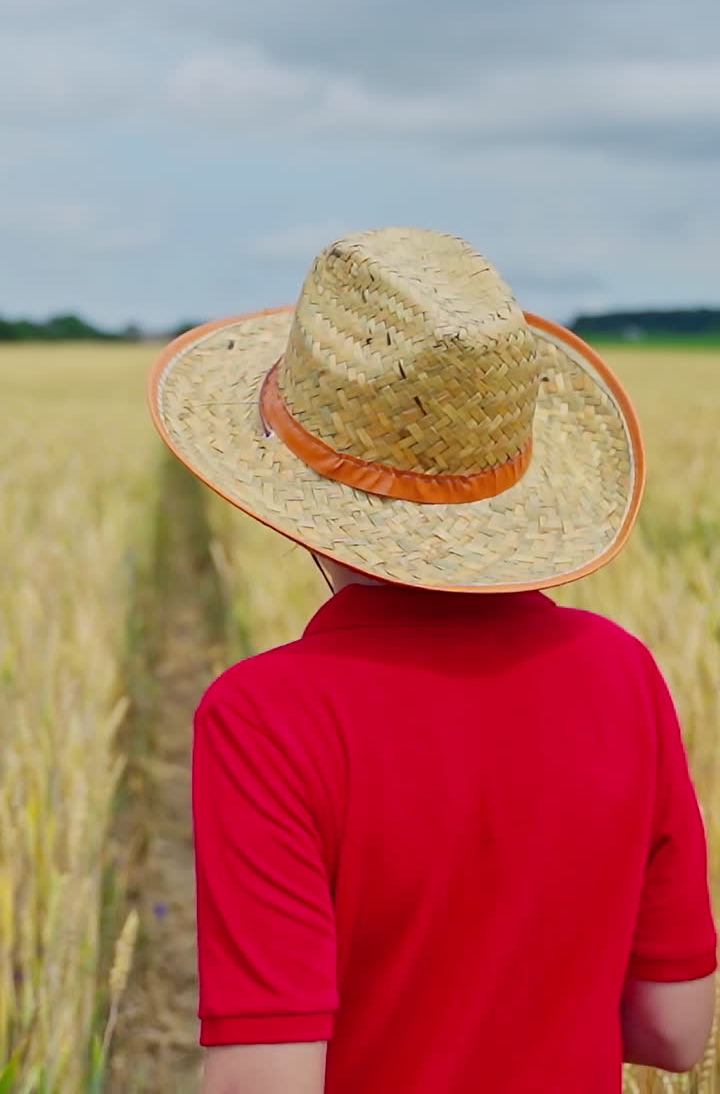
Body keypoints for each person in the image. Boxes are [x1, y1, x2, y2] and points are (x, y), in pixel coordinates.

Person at [148, 227, 716, 1094]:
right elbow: (675, 1031)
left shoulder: (267, 715)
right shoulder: (622, 671)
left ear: (290, 490)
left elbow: (266, 1078)